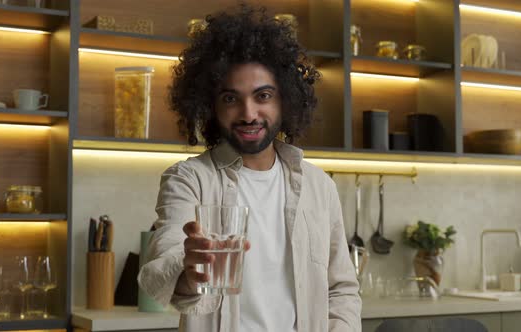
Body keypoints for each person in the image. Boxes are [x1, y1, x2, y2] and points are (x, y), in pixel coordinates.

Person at [138, 5, 361, 332]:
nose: (248, 113)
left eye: (263, 96)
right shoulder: (189, 180)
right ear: (211, 106)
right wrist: (189, 269)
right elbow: (163, 265)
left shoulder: (318, 185)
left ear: (284, 100)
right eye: (231, 99)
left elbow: (341, 289)